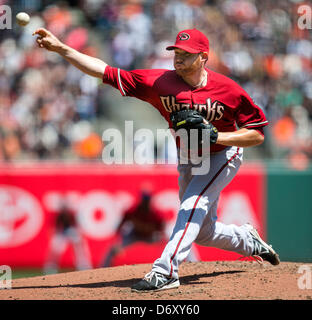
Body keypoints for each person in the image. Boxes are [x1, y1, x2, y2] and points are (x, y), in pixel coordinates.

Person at [33, 28, 280, 292]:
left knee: (193, 204)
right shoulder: (159, 82)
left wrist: (219, 136)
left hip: (222, 155)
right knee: (204, 231)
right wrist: (61, 48)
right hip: (188, 157)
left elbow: (256, 134)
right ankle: (247, 240)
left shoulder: (228, 90)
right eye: (177, 52)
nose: (179, 58)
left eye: (187, 54)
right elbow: (104, 71)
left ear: (203, 57)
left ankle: (166, 271)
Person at [101, 190, 165, 267]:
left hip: (149, 236)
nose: (145, 203)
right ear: (141, 200)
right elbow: (120, 225)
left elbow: (162, 230)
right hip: (134, 235)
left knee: (168, 246)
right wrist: (118, 241)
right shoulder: (134, 211)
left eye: (147, 201)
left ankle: (171, 266)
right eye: (144, 200)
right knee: (113, 249)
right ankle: (104, 268)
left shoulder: (154, 214)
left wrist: (163, 242)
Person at [44, 202, 91, 274]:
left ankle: (83, 265)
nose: (65, 211)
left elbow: (76, 227)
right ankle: (51, 267)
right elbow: (55, 228)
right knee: (55, 248)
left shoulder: (71, 215)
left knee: (79, 246)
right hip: (62, 233)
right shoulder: (59, 215)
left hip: (70, 231)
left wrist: (78, 235)